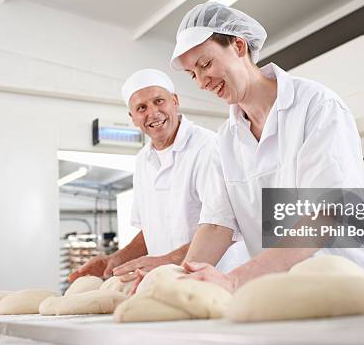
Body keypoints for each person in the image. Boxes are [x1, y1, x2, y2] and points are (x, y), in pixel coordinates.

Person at [169, 2, 364, 292]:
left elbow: (326, 212)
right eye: (192, 74)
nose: (201, 82)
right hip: (288, 293)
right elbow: (216, 225)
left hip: (354, 284)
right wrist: (177, 284)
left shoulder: (316, 105)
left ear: (238, 46)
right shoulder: (225, 140)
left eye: (205, 64)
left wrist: (235, 279)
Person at [68, 68, 249, 284]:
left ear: (175, 101)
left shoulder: (208, 147)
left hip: (219, 278)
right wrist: (115, 259)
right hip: (169, 282)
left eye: (159, 101)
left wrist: (167, 261)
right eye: (141, 108)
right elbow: (150, 230)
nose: (153, 113)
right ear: (132, 118)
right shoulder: (143, 160)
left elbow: (225, 227)